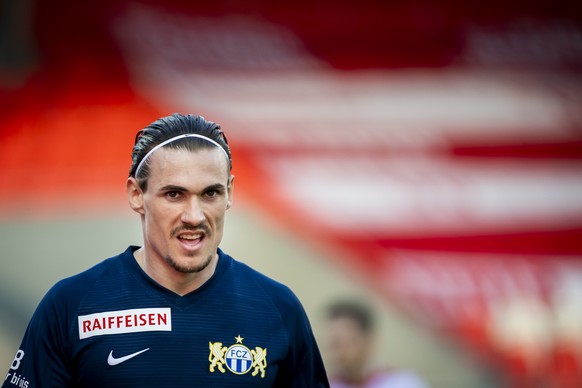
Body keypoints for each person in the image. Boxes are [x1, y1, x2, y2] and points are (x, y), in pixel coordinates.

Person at [3, 113, 329, 387]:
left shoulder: (278, 309)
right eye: (174, 194)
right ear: (136, 194)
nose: (194, 216)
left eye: (210, 193)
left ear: (229, 193)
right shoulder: (72, 305)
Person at [325, 299, 428, 388]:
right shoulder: (329, 384)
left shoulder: (403, 383)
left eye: (343, 341)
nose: (338, 351)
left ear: (368, 340)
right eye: (333, 344)